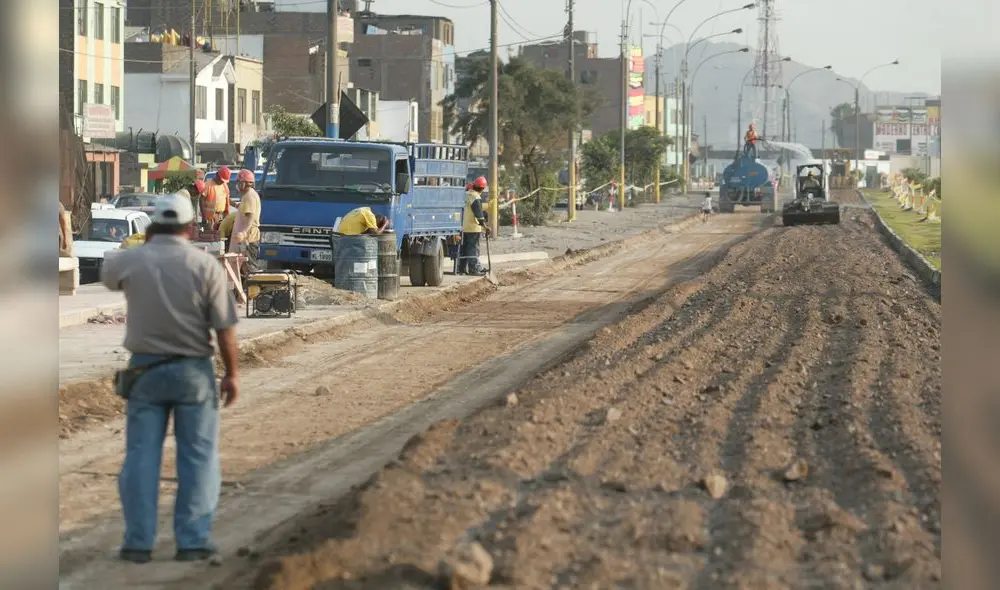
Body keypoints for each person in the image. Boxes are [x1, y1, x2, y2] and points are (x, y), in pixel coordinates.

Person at [100, 192, 240, 565]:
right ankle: (192, 541)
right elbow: (225, 329)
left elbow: (108, 277)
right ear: (191, 227)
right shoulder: (206, 265)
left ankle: (138, 543)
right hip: (194, 371)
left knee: (141, 456)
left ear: (151, 227)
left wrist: (145, 250)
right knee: (197, 457)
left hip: (145, 370)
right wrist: (232, 375)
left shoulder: (132, 259)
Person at [228, 169, 263, 276]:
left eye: (239, 182)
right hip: (246, 238)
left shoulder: (249, 196)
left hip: (248, 239)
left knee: (249, 269)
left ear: (246, 183)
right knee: (243, 269)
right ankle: (244, 291)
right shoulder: (248, 196)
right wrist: (233, 204)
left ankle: (254, 291)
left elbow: (250, 216)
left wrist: (243, 232)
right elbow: (245, 210)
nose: (237, 185)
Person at [457, 176, 490, 275]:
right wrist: (485, 227)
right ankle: (474, 269)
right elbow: (479, 215)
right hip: (473, 228)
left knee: (463, 249)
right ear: (483, 189)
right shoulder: (476, 197)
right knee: (473, 248)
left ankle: (461, 269)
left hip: (462, 227)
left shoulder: (465, 195)